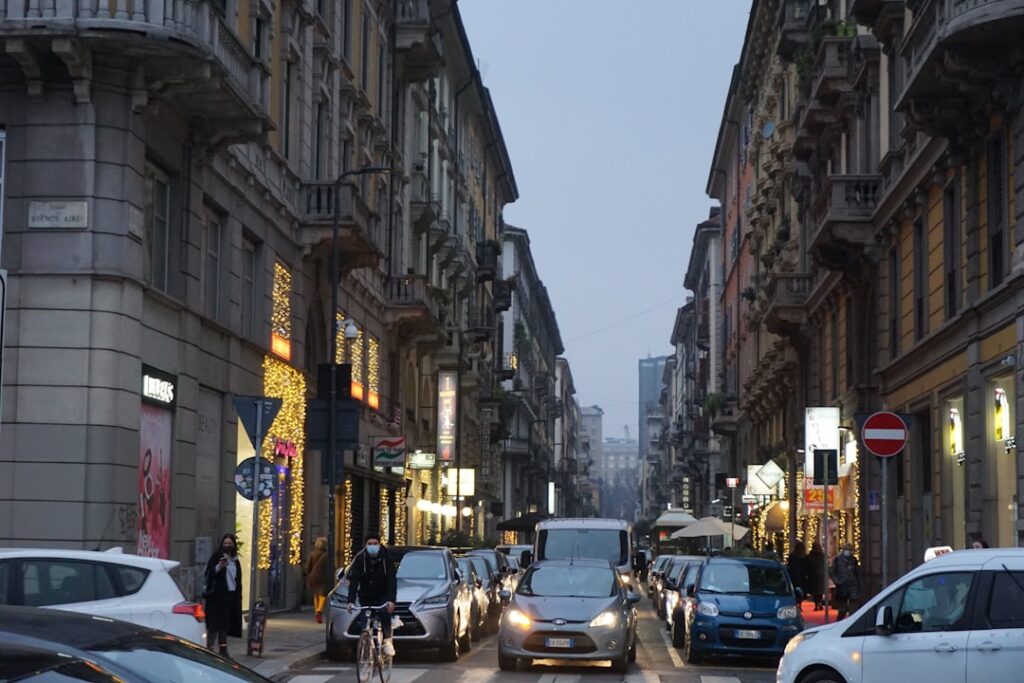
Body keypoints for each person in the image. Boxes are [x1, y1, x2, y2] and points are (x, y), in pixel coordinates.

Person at [345, 534, 397, 656]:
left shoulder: (387, 559)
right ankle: (366, 643)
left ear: (379, 545)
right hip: (366, 595)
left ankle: (387, 641)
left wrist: (391, 600)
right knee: (365, 622)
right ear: (365, 545)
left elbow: (391, 581)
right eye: (370, 544)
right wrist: (350, 601)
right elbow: (354, 581)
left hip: (382, 594)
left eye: (375, 544)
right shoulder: (360, 559)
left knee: (384, 614)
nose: (372, 546)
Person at [204, 533, 243, 657]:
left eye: (230, 544)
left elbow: (237, 579)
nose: (227, 546)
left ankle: (223, 650)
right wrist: (219, 567)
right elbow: (209, 574)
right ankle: (209, 648)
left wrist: (237, 595)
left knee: (225, 625)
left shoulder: (235, 561)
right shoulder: (216, 557)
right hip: (216, 597)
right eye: (225, 543)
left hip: (229, 596)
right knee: (214, 624)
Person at [830, 543, 861, 620]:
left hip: (853, 585)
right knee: (842, 609)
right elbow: (831, 571)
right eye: (847, 549)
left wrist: (859, 584)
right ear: (843, 550)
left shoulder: (854, 560)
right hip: (842, 585)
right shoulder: (837, 559)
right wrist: (836, 580)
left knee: (853, 609)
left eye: (850, 549)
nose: (848, 551)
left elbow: (857, 573)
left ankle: (851, 623)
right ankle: (839, 622)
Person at [306, 536, 329, 623]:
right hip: (323, 577)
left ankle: (317, 611)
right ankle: (319, 610)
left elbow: (308, 566)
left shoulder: (313, 554)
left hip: (313, 577)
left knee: (316, 595)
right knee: (322, 595)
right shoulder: (327, 555)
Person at [786, 541, 809, 609]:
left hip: (793, 575)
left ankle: (796, 603)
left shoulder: (792, 556)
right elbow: (806, 567)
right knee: (801, 590)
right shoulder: (804, 557)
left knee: (794, 590)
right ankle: (800, 603)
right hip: (802, 576)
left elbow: (789, 565)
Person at [806, 541, 827, 611]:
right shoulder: (822, 555)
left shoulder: (810, 556)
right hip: (821, 575)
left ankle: (817, 604)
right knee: (820, 591)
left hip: (813, 576)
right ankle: (819, 603)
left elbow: (808, 566)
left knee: (815, 592)